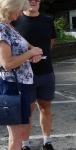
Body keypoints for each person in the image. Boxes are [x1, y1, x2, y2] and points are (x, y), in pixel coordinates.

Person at [12, 0, 56, 149]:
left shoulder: (48, 20)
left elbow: (50, 44)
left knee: (45, 108)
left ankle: (47, 141)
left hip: (46, 73)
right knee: (27, 111)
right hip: (25, 76)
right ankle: (25, 144)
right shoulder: (16, 20)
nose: (34, 1)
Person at [0, 0, 43, 150]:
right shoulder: (1, 28)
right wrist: (31, 53)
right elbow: (7, 64)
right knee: (16, 135)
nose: (20, 13)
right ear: (10, 8)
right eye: (19, 10)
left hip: (19, 84)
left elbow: (23, 46)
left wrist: (33, 51)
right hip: (13, 85)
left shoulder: (9, 27)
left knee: (18, 134)